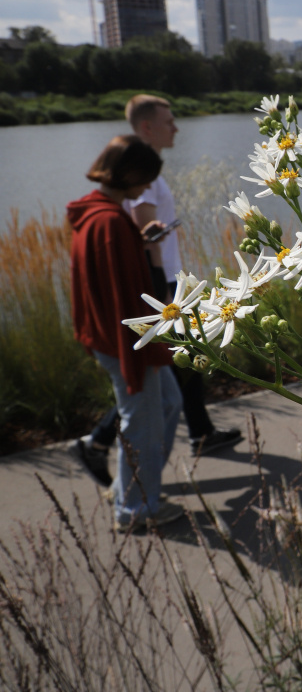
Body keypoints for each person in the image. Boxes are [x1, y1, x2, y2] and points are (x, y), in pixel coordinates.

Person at [72, 96, 242, 488]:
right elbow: (137, 242)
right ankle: (111, 461)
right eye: (169, 121)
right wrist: (161, 287)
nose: (176, 128)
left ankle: (195, 435)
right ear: (146, 127)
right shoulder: (132, 188)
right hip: (155, 290)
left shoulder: (129, 184)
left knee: (169, 383)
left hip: (158, 285)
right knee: (162, 376)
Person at [68, 135, 186, 531]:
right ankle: (135, 509)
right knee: (143, 422)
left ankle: (129, 491)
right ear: (130, 175)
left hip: (117, 337)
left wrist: (140, 241)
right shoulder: (109, 221)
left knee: (168, 402)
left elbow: (109, 278)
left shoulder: (97, 214)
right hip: (129, 342)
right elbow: (126, 295)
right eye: (144, 180)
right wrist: (136, 356)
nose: (146, 189)